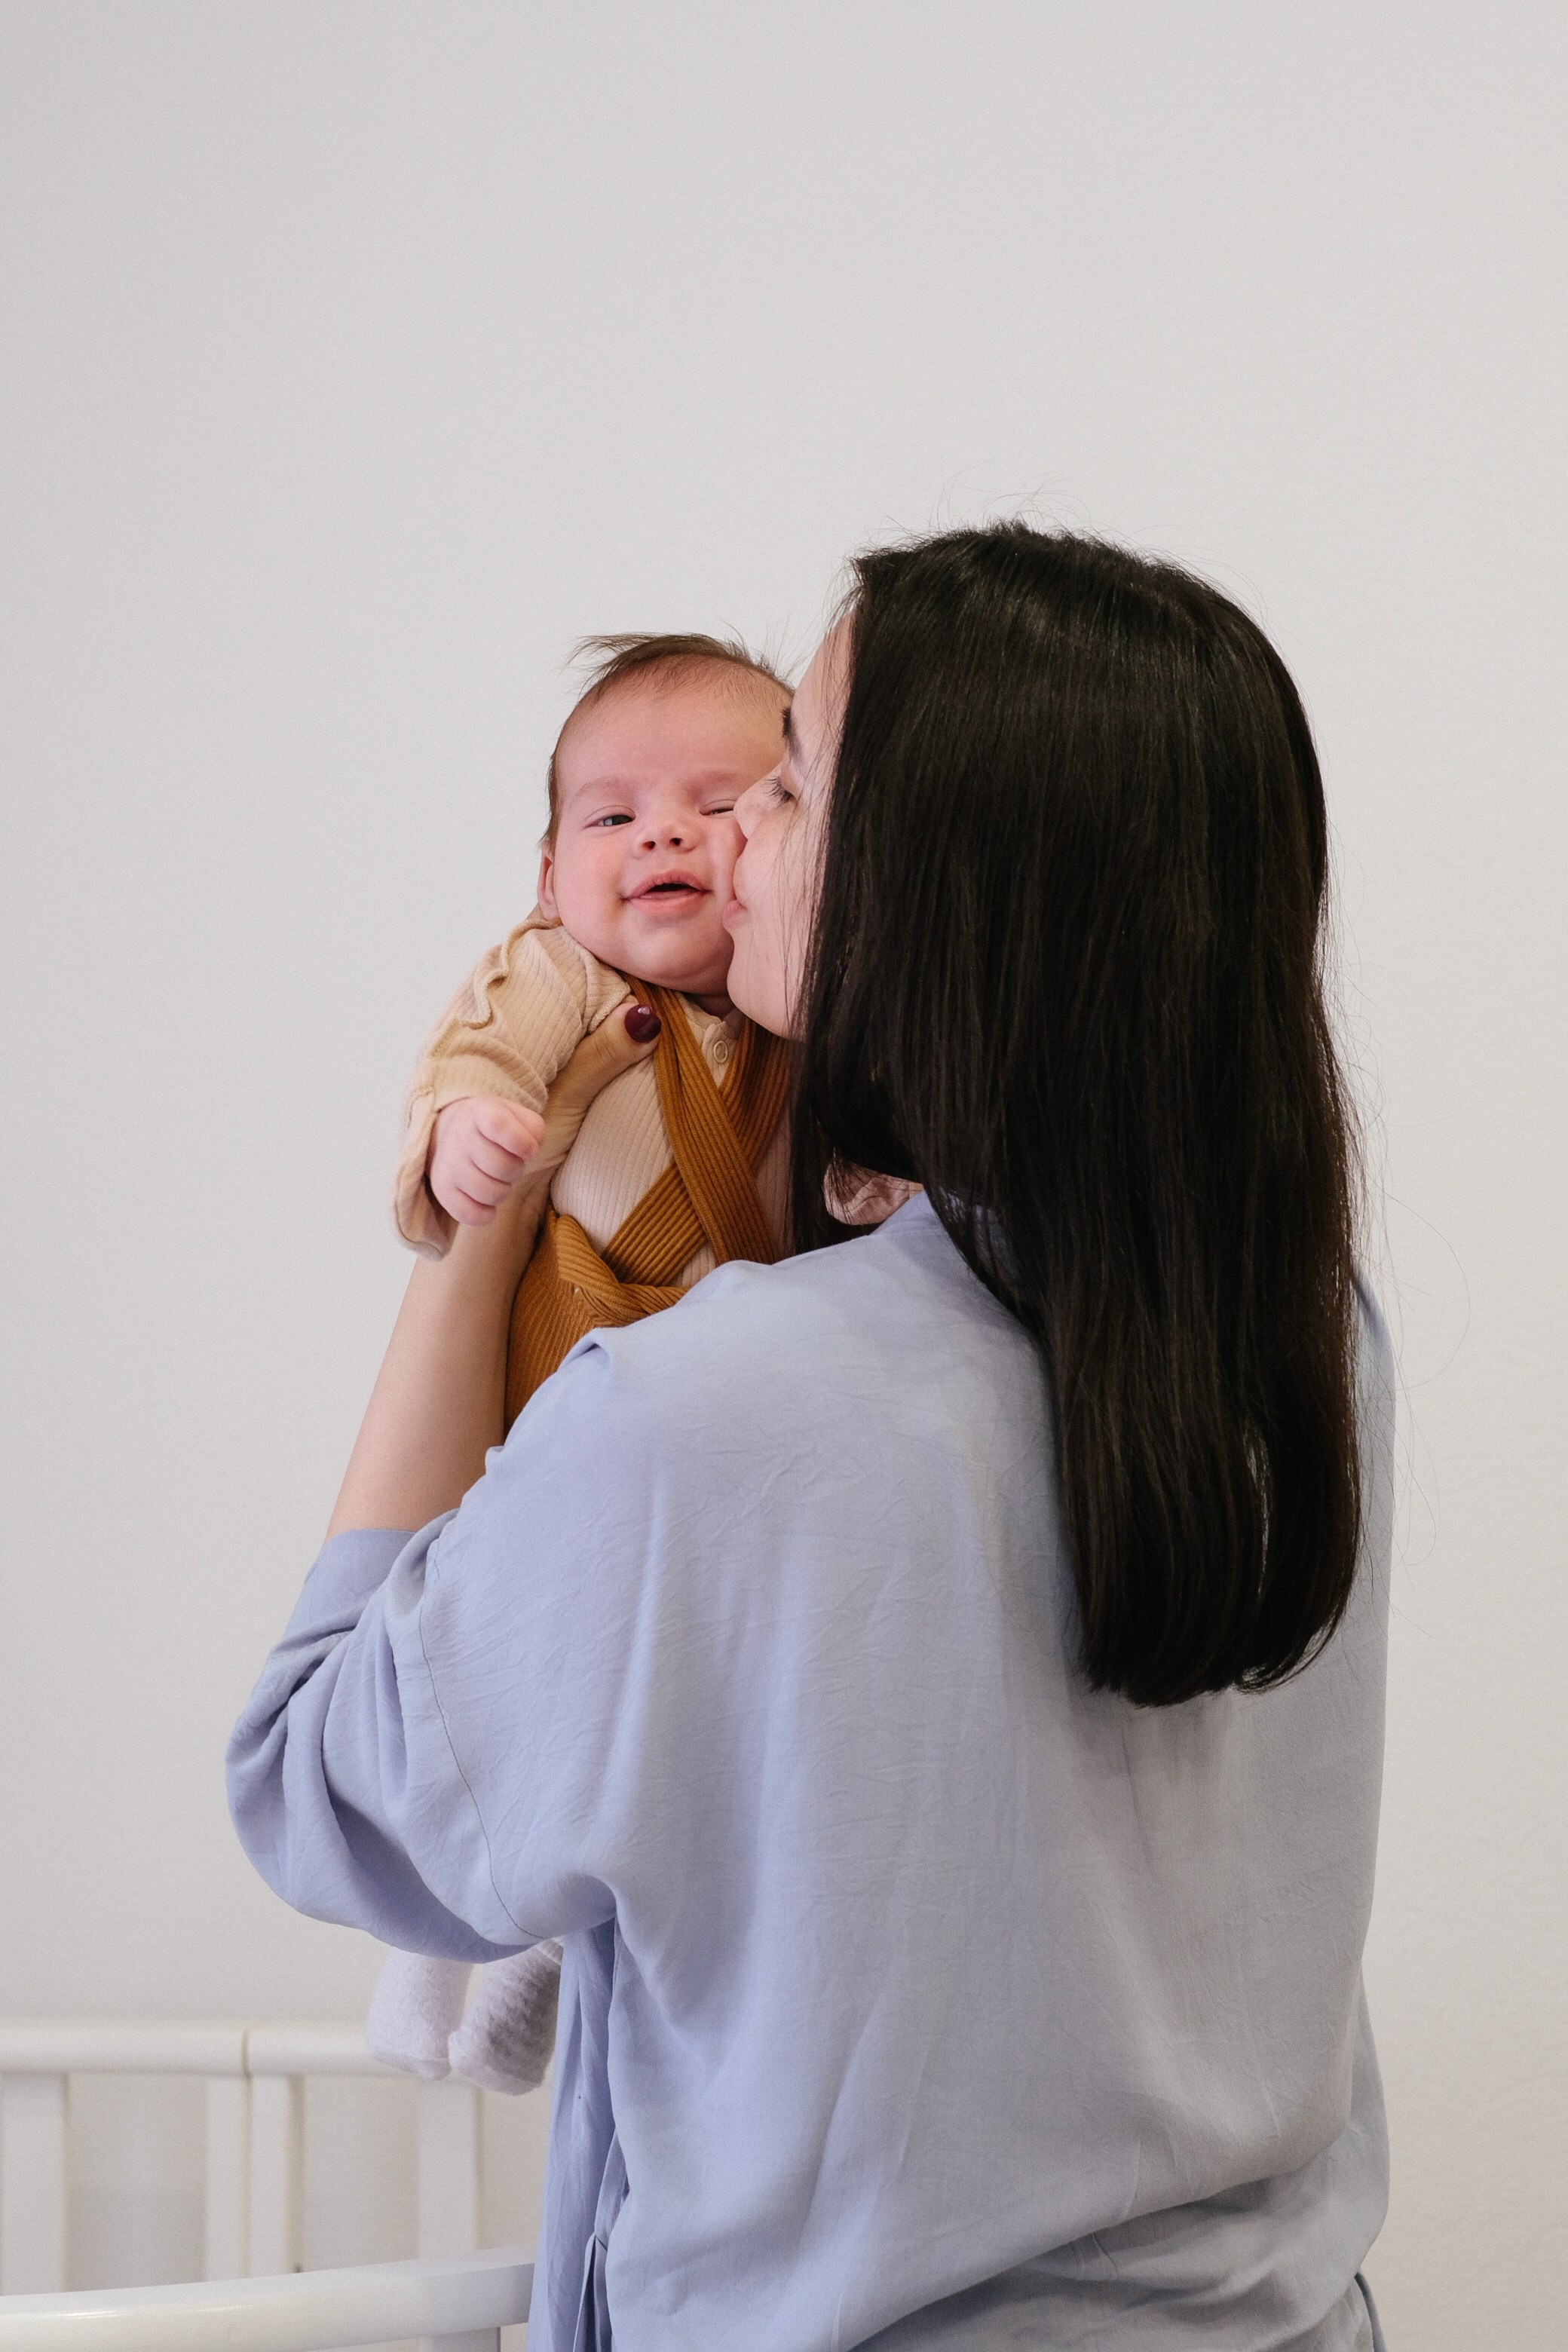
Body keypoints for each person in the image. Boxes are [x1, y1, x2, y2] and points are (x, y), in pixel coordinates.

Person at [229, 525, 1394, 2351]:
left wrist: (479, 1238)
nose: (726, 840)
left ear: (936, 888)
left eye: (787, 780)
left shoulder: (708, 1410)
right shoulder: (1301, 1335)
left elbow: (315, 1785)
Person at [366, 632, 798, 2095]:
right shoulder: (554, 975)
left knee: (675, 1689)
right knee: (495, 1665)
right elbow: (475, 1059)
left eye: (726, 798)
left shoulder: (806, 1027)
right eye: (609, 817)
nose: (661, 832)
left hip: (726, 1442)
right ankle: (437, 1958)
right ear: (551, 874)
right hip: (563, 1401)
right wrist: (473, 1128)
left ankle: (558, 1928)